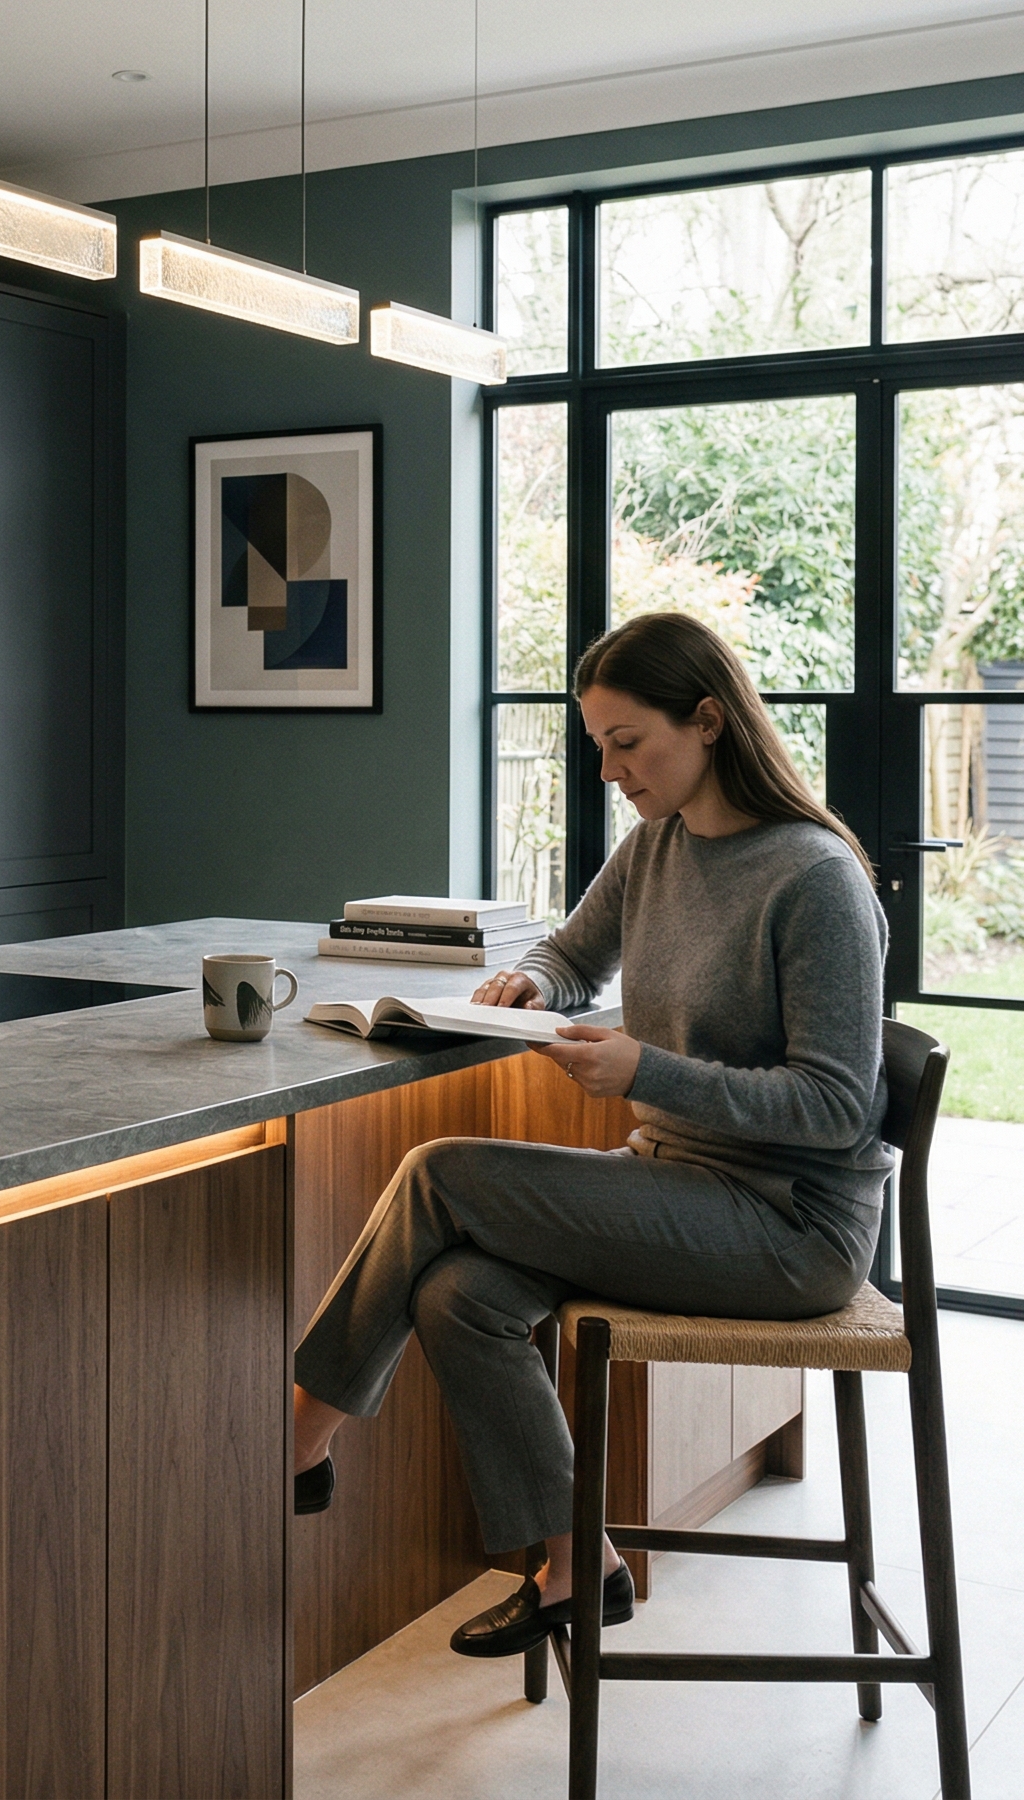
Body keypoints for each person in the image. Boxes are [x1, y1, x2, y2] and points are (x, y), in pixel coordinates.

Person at [291, 611, 891, 1658]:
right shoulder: (654, 846)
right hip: (671, 1179)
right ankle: (579, 1562)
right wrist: (532, 979)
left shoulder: (813, 877)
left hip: (790, 1229)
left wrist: (643, 1070)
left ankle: (295, 1433)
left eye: (627, 742)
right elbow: (573, 954)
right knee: (456, 1294)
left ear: (706, 721)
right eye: (597, 746)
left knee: (438, 1174)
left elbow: (837, 1103)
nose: (611, 769)